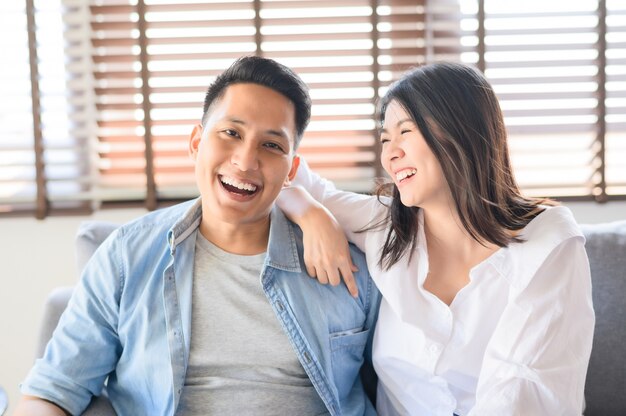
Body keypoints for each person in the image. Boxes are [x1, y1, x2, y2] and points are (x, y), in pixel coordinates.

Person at [16, 56, 380, 416]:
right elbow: (53, 390)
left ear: (291, 171)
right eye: (231, 133)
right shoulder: (127, 256)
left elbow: (401, 386)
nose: (245, 161)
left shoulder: (346, 265)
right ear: (195, 143)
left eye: (271, 145)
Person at [277, 62, 595, 415]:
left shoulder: (548, 243)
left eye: (406, 132)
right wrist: (310, 212)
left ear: (459, 130)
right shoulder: (386, 226)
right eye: (385, 138)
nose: (390, 153)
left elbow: (520, 390)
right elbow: (276, 173)